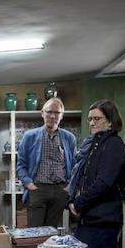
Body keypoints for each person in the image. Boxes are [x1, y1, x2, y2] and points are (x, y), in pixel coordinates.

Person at [68, 99, 125, 248]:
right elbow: (85, 178)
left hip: (104, 217)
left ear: (110, 121)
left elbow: (103, 182)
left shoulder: (113, 145)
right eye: (90, 119)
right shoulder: (96, 144)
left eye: (97, 119)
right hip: (92, 216)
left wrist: (78, 203)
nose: (92, 123)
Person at [16, 97, 78, 228]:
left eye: (57, 113)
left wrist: (68, 187)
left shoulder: (69, 138)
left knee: (52, 231)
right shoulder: (29, 136)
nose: (52, 116)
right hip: (38, 189)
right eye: (49, 112)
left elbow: (74, 166)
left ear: (61, 116)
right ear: (42, 113)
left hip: (60, 189)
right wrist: (28, 183)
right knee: (34, 231)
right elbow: (21, 164)